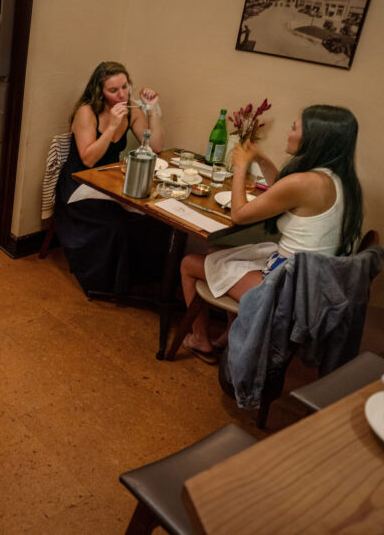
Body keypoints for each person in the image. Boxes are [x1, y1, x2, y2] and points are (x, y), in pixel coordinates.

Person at [178, 104, 364, 361]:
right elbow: (284, 191)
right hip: (311, 280)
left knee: (189, 263)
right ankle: (232, 334)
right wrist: (261, 159)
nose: (288, 133)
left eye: (294, 128)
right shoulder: (335, 179)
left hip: (287, 290)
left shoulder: (306, 182)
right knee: (216, 252)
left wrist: (241, 165)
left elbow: (239, 215)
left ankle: (200, 339)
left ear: (314, 138)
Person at [53, 61, 169, 294]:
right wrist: (111, 126)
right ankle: (107, 284)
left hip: (111, 181)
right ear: (100, 92)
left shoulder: (133, 109)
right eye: (113, 90)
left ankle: (142, 281)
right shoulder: (86, 112)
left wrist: (151, 111)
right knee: (115, 226)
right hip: (80, 183)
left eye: (125, 87)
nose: (121, 95)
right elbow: (88, 159)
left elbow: (155, 146)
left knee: (152, 218)